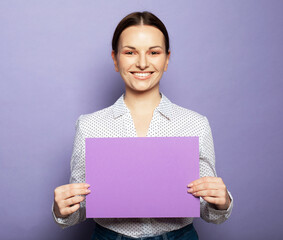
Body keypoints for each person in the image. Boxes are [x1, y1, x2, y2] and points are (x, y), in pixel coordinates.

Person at [52, 11, 233, 240]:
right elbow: (78, 210)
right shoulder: (89, 126)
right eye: (130, 52)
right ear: (115, 59)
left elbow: (210, 212)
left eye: (154, 52)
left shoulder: (195, 124)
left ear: (167, 59)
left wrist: (222, 201)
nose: (142, 63)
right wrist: (62, 209)